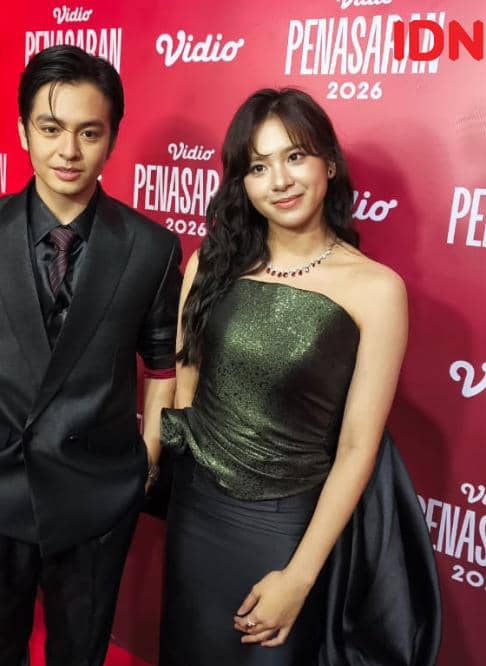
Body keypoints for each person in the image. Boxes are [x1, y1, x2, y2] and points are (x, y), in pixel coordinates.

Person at [159, 88, 441, 665]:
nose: (280, 181)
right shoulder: (210, 263)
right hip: (196, 517)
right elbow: (187, 380)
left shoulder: (376, 289)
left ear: (329, 164)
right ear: (242, 182)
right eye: (258, 167)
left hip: (286, 530)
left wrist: (300, 576)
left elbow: (358, 446)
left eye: (295, 157)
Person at [0, 45, 181, 666]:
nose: (69, 150)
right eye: (51, 128)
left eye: (89, 132)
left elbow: (163, 364)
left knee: (80, 654)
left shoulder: (151, 248)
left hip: (98, 492)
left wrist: (146, 462)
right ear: (22, 131)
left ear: (111, 139)